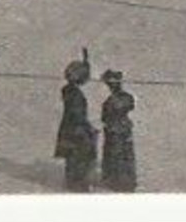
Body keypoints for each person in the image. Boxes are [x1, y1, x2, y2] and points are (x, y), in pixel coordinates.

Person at [54, 55, 97, 193]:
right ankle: (78, 184)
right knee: (81, 156)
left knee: (72, 158)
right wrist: (89, 128)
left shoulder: (68, 90)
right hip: (76, 129)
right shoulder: (76, 94)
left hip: (68, 127)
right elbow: (78, 115)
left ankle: (73, 182)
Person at [99, 70, 137, 192]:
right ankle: (116, 181)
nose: (110, 86)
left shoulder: (122, 98)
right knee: (115, 156)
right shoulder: (111, 100)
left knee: (121, 156)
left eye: (111, 83)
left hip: (119, 131)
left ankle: (122, 182)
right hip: (114, 130)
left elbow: (128, 105)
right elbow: (104, 117)